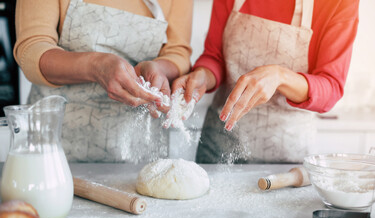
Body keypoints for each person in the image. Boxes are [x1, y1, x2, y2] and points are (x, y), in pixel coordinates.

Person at [172, 0, 359, 163]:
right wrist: (203, 76)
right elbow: (215, 56)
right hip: (220, 145)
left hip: (286, 155)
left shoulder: (339, 2)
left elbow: (331, 87)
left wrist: (280, 77)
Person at [13, 0, 192, 162]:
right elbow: (31, 49)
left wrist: (159, 69)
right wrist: (95, 66)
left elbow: (178, 52)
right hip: (53, 146)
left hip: (139, 148)